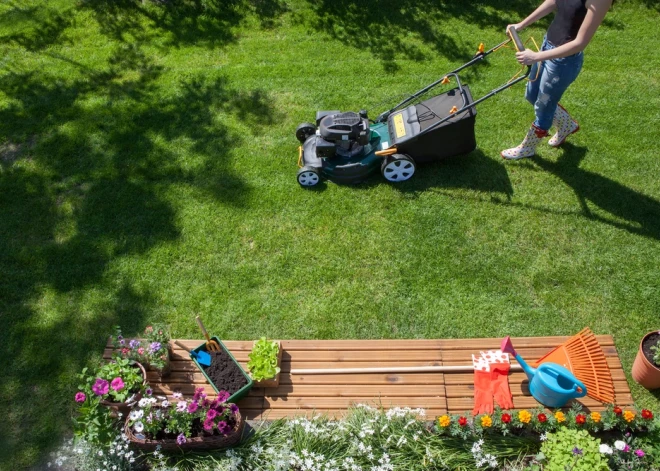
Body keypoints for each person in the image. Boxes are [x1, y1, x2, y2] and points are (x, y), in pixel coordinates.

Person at [501, 0, 612, 160]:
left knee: (544, 105)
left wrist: (536, 56)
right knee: (532, 95)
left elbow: (579, 43)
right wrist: (521, 24)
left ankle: (528, 148)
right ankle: (567, 125)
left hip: (562, 63)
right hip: (547, 45)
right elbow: (553, 1)